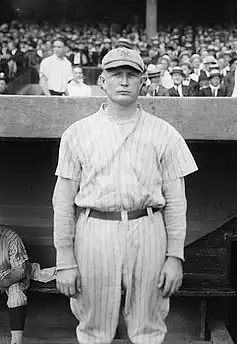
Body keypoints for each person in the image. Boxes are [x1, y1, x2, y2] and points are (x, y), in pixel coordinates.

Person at [53, 47, 198, 344]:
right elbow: (63, 200)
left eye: (131, 75)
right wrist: (64, 258)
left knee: (149, 327)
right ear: (102, 81)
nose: (123, 81)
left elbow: (177, 202)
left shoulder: (165, 133)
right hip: (94, 230)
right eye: (115, 74)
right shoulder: (77, 133)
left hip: (148, 228)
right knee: (94, 327)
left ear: (143, 82)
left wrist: (174, 256)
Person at [0, 225, 30, 344]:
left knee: (16, 295)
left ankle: (16, 341)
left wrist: (1, 285)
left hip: (10, 273)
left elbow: (20, 271)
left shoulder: (10, 237)